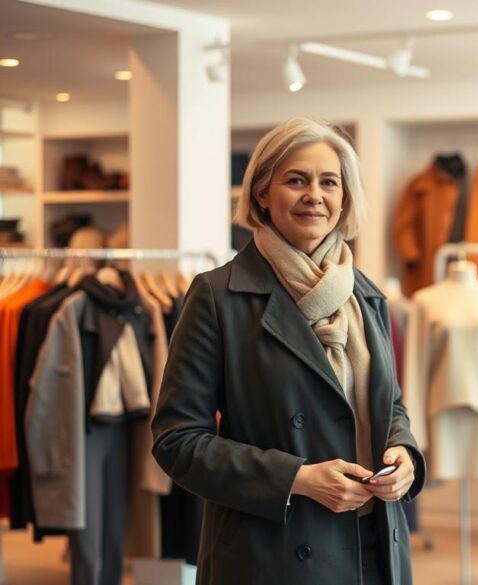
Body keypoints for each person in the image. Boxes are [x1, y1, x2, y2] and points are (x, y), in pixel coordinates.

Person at [152, 118, 425, 585]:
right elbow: (177, 442)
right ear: (262, 192)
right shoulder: (218, 296)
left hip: (376, 545)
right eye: (296, 180)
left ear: (345, 198)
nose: (314, 195)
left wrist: (405, 454)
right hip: (271, 554)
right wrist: (297, 478)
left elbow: (390, 405)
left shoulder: (366, 295)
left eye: (329, 182)